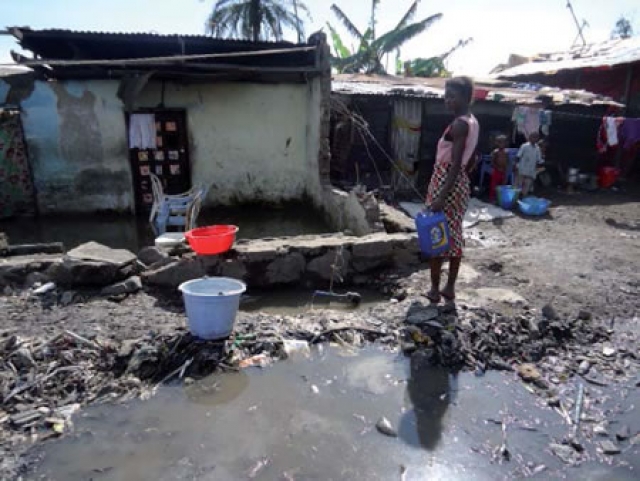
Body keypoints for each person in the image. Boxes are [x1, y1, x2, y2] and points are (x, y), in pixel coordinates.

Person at [425, 77, 479, 307]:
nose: (448, 101)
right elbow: (470, 159)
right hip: (459, 182)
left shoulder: (459, 125)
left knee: (436, 235)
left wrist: (441, 196)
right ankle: (449, 288)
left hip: (446, 181)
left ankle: (435, 290)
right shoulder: (472, 122)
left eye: (453, 96)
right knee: (454, 233)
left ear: (467, 98)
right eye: (446, 96)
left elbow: (455, 163)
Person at [490, 135, 509, 202]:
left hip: (503, 171)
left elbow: (507, 161)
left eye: (503, 142)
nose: (502, 144)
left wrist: (505, 170)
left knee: (502, 184)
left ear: (506, 143)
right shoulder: (495, 152)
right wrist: (497, 168)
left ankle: (500, 197)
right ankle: (492, 197)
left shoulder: (506, 152)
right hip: (496, 171)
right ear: (497, 143)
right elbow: (492, 162)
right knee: (494, 184)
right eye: (500, 142)